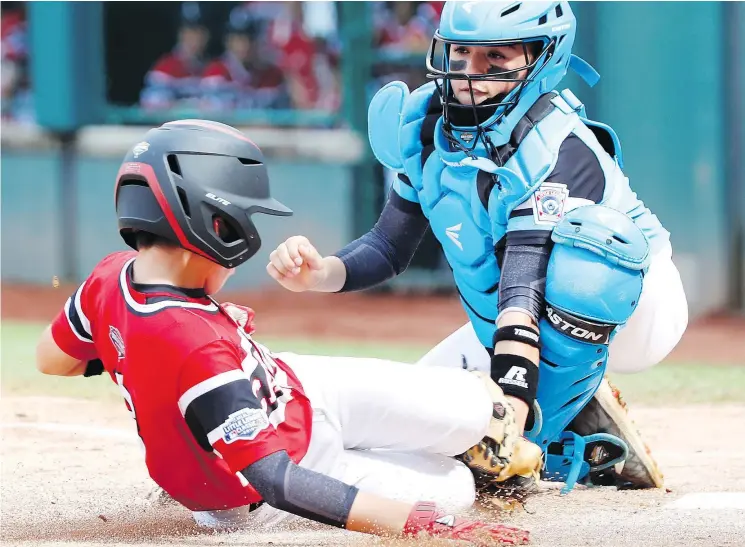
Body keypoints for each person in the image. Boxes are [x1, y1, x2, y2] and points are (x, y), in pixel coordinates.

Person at [34, 119, 530, 545]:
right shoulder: (193, 345)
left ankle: (457, 432)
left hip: (296, 388)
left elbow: (53, 359)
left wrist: (137, 363)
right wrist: (416, 523)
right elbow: (277, 482)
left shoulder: (112, 274)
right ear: (212, 224)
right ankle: (460, 452)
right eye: (241, 216)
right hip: (259, 492)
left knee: (474, 410)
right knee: (458, 489)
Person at [266, 0, 689, 496]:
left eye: (496, 60)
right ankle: (587, 437)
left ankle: (545, 429)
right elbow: (388, 246)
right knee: (402, 427)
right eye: (463, 54)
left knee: (580, 275)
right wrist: (320, 273)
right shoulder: (425, 127)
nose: (470, 75)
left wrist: (507, 412)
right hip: (516, 316)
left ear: (543, 59)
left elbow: (523, 288)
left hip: (634, 307)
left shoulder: (557, 148)